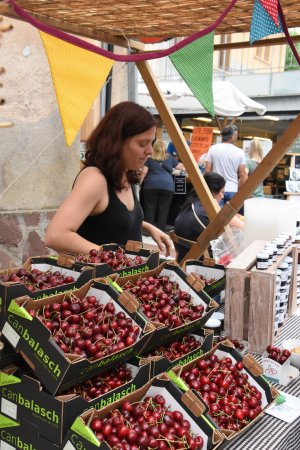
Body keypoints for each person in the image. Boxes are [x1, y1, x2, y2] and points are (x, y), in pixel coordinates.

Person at [44, 101, 172, 256]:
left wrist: (148, 227)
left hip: (122, 278)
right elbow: (55, 236)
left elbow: (111, 221)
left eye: (151, 143)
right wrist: (114, 258)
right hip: (98, 279)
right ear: (117, 141)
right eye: (142, 143)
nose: (150, 151)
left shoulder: (124, 173)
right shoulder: (95, 179)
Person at [174, 172, 244, 261]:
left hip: (184, 255)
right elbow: (242, 226)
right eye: (222, 192)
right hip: (202, 259)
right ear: (213, 192)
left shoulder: (191, 203)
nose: (222, 196)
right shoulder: (209, 209)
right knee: (238, 239)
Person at [140, 140, 184, 232]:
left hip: (150, 185)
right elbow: (182, 167)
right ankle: (160, 231)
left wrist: (139, 184)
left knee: (149, 208)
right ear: (164, 148)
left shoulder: (149, 159)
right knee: (163, 209)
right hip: (167, 186)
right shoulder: (170, 158)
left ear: (154, 148)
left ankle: (148, 231)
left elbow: (144, 172)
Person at [205, 125, 248, 206]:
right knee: (232, 217)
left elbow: (207, 171)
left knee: (216, 216)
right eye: (236, 135)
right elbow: (243, 174)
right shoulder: (239, 152)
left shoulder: (213, 148)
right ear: (233, 137)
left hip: (216, 190)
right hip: (232, 190)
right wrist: (238, 189)